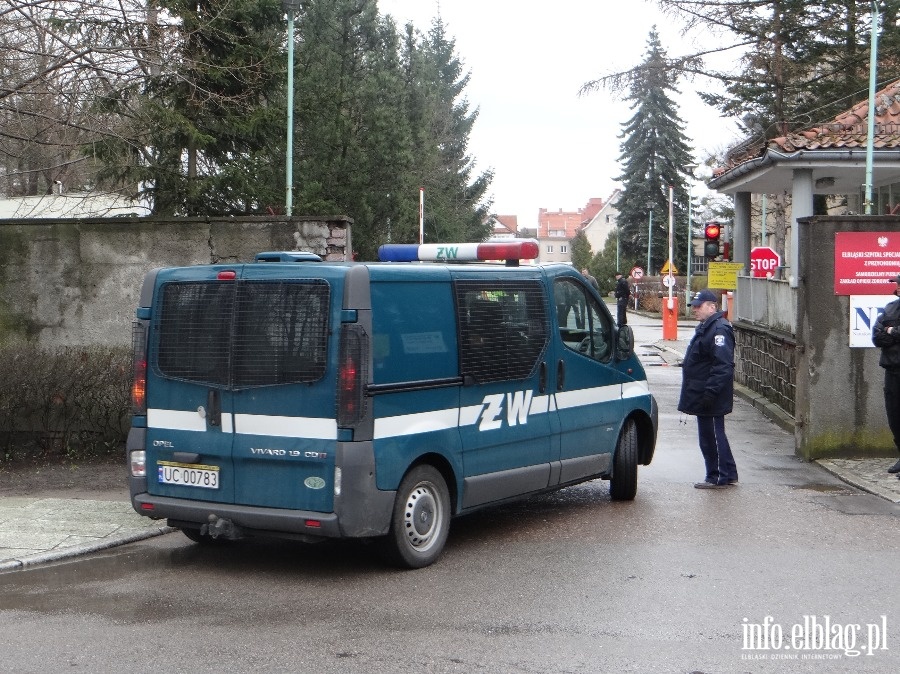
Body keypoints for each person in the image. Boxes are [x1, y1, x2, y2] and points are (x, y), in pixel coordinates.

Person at [678, 289, 738, 489]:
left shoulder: (719, 329)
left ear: (712, 306)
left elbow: (722, 365)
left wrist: (710, 392)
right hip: (703, 392)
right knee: (712, 433)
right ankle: (727, 473)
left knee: (711, 436)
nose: (694, 309)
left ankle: (717, 476)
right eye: (693, 305)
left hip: (710, 394)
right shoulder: (708, 326)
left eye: (698, 306)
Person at [871, 274, 900, 476]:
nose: (897, 287)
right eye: (897, 284)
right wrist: (891, 333)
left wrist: (892, 332)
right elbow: (877, 336)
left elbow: (888, 333)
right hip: (893, 370)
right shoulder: (890, 308)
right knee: (895, 417)